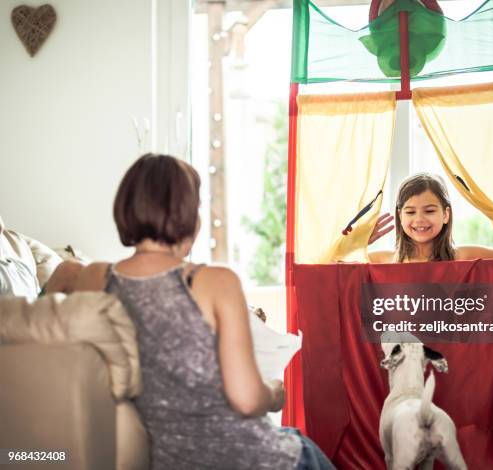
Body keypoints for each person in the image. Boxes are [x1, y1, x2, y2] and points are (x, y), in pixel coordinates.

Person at [70, 154, 335, 470]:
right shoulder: (215, 281)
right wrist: (274, 393)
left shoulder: (93, 278)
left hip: (156, 457)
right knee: (300, 446)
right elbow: (247, 400)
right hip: (239, 456)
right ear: (189, 217)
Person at [368, 165, 493, 263]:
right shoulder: (383, 261)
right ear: (400, 216)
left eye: (429, 210)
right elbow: (340, 268)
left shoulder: (462, 257)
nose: (419, 219)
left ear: (446, 215)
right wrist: (360, 242)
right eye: (410, 212)